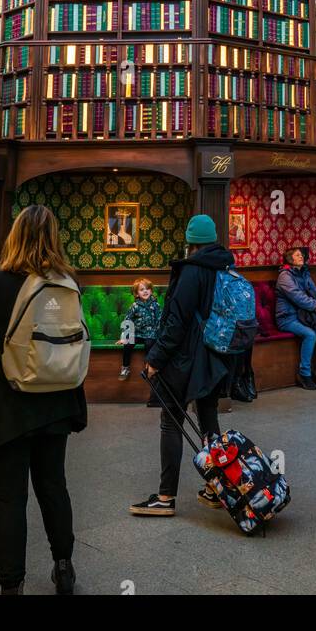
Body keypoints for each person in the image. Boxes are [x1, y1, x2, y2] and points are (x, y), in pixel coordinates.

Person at [0, 205, 87, 595]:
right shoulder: (68, 282)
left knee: (10, 498)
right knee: (54, 485)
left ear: (14, 236)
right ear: (54, 238)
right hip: (56, 400)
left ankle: (11, 585)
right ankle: (63, 567)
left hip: (8, 404)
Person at [131, 214, 235, 517]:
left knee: (171, 420)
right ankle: (218, 488)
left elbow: (177, 322)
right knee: (208, 418)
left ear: (190, 242)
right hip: (217, 356)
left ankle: (165, 498)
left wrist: (156, 359)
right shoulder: (226, 267)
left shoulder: (192, 271)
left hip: (187, 359)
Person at [275, 245, 316, 390]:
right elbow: (297, 296)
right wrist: (315, 306)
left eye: (301, 255)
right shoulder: (285, 276)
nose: (301, 257)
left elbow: (315, 290)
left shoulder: (304, 273)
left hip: (305, 317)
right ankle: (304, 374)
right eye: (297, 255)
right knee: (310, 334)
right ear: (290, 259)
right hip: (288, 318)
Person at [118, 278, 161, 380]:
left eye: (147, 289)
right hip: (136, 333)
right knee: (128, 345)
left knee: (149, 344)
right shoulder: (135, 306)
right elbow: (128, 320)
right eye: (142, 289)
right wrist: (124, 337)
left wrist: (159, 335)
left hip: (150, 333)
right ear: (137, 294)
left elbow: (159, 320)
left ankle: (149, 367)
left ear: (151, 290)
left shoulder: (155, 305)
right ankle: (125, 368)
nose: (145, 291)